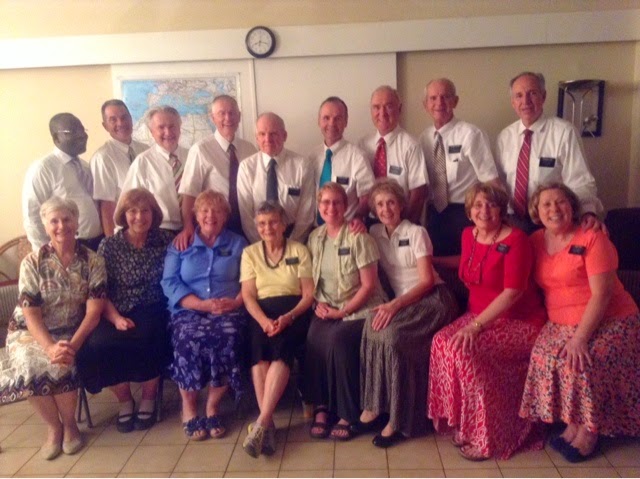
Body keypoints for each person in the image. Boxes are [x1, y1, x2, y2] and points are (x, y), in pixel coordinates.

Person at [520, 183, 640, 463]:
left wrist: (580, 338)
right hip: (560, 322)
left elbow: (602, 295)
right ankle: (572, 423)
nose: (554, 209)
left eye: (560, 202)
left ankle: (589, 431)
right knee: (545, 355)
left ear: (573, 207)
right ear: (536, 212)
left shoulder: (592, 237)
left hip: (610, 318)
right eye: (546, 204)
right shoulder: (535, 241)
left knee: (582, 360)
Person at [427, 182, 547, 460]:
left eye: (491, 205)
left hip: (519, 321)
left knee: (467, 352)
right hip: (478, 316)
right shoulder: (468, 234)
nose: (484, 210)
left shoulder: (516, 240)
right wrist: (434, 261)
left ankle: (488, 436)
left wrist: (475, 327)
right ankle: (464, 423)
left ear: (501, 210)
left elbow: (513, 292)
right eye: (478, 205)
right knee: (441, 342)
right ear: (469, 211)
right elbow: (469, 259)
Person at [0, 197, 106, 460]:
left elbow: (94, 312)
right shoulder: (32, 262)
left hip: (71, 330)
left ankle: (70, 426)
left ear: (76, 222)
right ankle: (53, 427)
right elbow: (31, 313)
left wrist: (73, 345)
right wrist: (48, 347)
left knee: (63, 362)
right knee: (29, 364)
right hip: (30, 331)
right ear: (45, 226)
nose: (61, 226)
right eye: (54, 221)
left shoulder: (93, 261)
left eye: (67, 219)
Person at [359, 178, 458, 448]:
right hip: (403, 302)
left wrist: (395, 305)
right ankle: (375, 405)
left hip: (433, 300)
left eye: (391, 202)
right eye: (380, 204)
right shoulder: (374, 232)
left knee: (394, 337)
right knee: (371, 325)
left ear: (401, 205)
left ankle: (398, 418)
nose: (386, 209)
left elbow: (426, 281)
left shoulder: (416, 232)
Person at [76, 188, 173, 433]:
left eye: (145, 211)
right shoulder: (109, 245)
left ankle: (149, 397)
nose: (139, 217)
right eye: (132, 211)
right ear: (123, 215)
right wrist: (116, 318)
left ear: (154, 214)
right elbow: (99, 290)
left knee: (151, 335)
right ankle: (125, 400)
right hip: (114, 308)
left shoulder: (165, 240)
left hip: (153, 306)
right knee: (99, 343)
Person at [162, 190, 248, 441]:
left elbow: (250, 280)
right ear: (196, 215)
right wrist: (201, 305)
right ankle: (189, 409)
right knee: (187, 339)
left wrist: (235, 302)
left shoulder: (238, 243)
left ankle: (212, 406)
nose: (211, 215)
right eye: (204, 211)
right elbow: (169, 282)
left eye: (217, 211)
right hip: (188, 310)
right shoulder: (182, 243)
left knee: (228, 336)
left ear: (225, 216)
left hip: (228, 310)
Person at [304, 183, 386, 441]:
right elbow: (312, 279)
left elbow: (369, 286)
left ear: (346, 206)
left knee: (338, 342)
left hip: (361, 308)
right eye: (325, 202)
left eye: (337, 202)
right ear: (319, 206)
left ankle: (347, 413)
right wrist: (318, 304)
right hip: (327, 306)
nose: (331, 208)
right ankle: (322, 407)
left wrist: (342, 313)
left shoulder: (359, 237)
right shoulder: (315, 237)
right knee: (313, 338)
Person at [240, 201, 314, 457]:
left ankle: (262, 422)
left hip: (294, 312)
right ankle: (267, 425)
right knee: (259, 351)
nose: (267, 228)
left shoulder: (299, 250)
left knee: (282, 347)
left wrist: (289, 317)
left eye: (273, 222)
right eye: (262, 223)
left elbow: (308, 294)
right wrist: (263, 321)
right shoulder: (249, 253)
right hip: (261, 313)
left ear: (284, 224)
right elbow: (248, 295)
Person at [495, 72, 603, 233]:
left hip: (552, 221)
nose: (526, 101)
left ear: (543, 96)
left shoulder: (564, 132)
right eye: (519, 95)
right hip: (513, 222)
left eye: (532, 93)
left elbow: (580, 180)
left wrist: (587, 211)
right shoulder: (504, 137)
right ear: (513, 102)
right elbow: (499, 183)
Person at [419, 78, 500, 261]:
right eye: (433, 98)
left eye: (445, 97)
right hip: (434, 215)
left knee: (466, 266)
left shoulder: (471, 134)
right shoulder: (424, 138)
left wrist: (496, 221)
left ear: (455, 101)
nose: (439, 103)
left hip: (465, 214)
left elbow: (491, 182)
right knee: (436, 266)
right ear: (425, 105)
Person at [176, 95, 257, 247]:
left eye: (232, 113)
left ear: (239, 116)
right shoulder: (200, 150)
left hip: (249, 223)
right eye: (222, 113)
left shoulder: (250, 149)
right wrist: (188, 226)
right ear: (212, 118)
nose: (228, 118)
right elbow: (189, 193)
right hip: (216, 225)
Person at [22, 113, 102, 251]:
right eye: (73, 131)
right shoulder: (43, 169)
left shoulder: (85, 166)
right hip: (67, 247)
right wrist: (45, 252)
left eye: (83, 130)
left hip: (98, 244)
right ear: (56, 138)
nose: (82, 135)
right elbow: (32, 216)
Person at [237, 112, 315, 244]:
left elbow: (306, 214)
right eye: (262, 134)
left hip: (294, 239)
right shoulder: (246, 167)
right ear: (256, 138)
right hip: (258, 241)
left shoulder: (302, 165)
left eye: (273, 134)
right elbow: (246, 217)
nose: (267, 139)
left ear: (284, 136)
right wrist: (263, 246)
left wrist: (291, 245)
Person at [358, 85, 428, 224]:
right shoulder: (363, 145)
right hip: (370, 221)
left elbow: (418, 193)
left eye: (388, 106)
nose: (382, 113)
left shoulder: (411, 145)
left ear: (399, 109)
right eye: (376, 107)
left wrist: (403, 227)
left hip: (402, 220)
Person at [121, 105, 187, 234]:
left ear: (179, 128)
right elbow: (128, 204)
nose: (168, 132)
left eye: (172, 126)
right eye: (161, 127)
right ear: (152, 132)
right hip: (158, 233)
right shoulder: (142, 162)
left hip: (195, 229)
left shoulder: (193, 156)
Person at [310, 96, 374, 224]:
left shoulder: (357, 156)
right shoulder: (312, 157)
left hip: (347, 229)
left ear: (346, 122)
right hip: (316, 230)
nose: (331, 123)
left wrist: (357, 219)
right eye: (326, 118)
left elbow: (367, 197)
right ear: (319, 121)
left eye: (338, 118)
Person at [90, 99, 149, 237]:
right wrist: (111, 242)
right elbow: (106, 205)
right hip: (123, 233)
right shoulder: (102, 158)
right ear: (105, 126)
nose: (121, 123)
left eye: (124, 117)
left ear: (131, 119)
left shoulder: (145, 150)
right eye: (113, 120)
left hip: (149, 227)